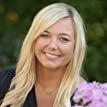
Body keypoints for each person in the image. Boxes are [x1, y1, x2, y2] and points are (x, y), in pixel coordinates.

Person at [0, 2, 86, 107]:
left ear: (76, 46)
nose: (53, 46)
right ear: (33, 39)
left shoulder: (88, 98)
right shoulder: (3, 82)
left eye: (64, 39)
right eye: (45, 35)